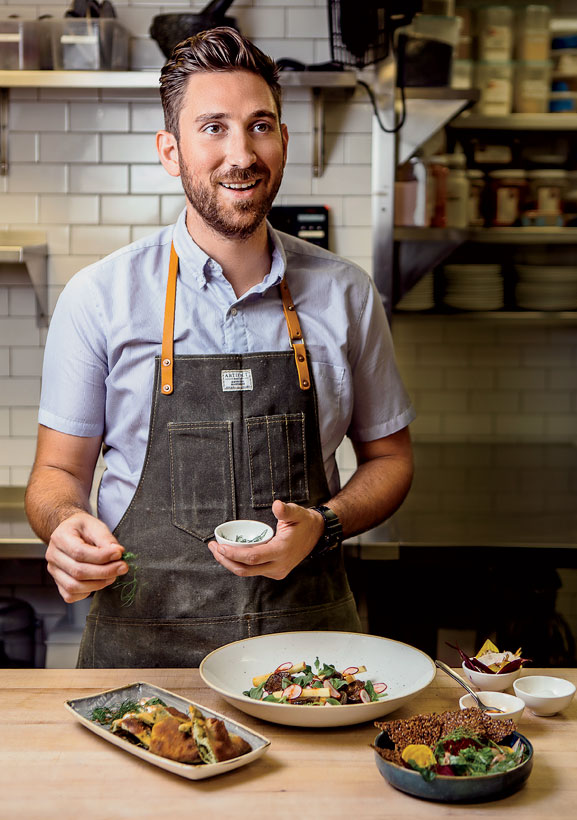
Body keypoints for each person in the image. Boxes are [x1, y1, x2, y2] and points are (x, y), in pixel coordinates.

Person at [25, 27, 415, 668]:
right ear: (171, 151)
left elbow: (391, 461)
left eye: (260, 125)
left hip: (308, 658)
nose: (242, 153)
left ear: (283, 141)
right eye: (213, 127)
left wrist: (325, 525)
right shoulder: (100, 296)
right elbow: (57, 475)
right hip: (145, 653)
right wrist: (64, 525)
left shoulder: (346, 294)